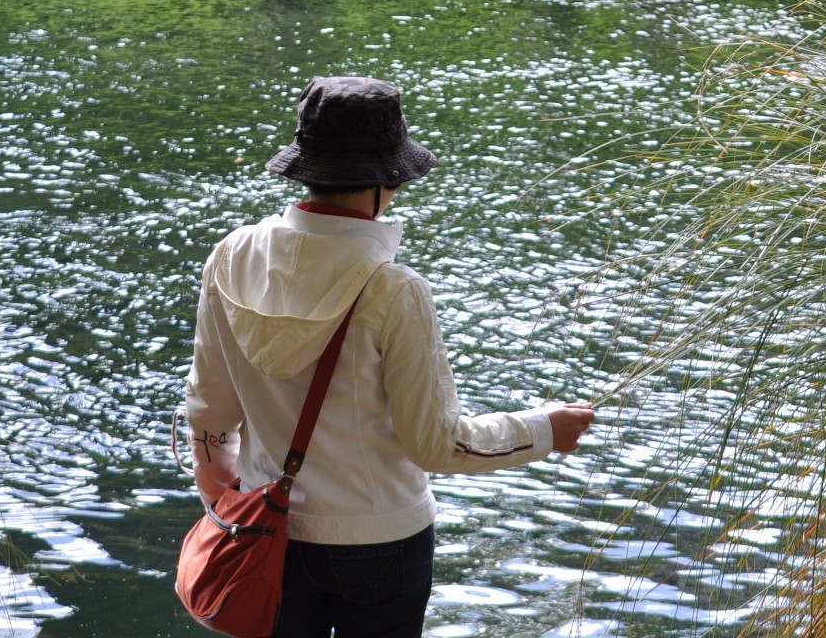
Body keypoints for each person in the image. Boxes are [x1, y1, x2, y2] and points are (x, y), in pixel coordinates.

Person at [184, 75, 595, 638]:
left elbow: (210, 408)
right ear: (387, 177)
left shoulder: (232, 255)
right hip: (381, 542)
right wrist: (543, 430)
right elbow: (436, 444)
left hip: (263, 528)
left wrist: (226, 500)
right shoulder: (392, 288)